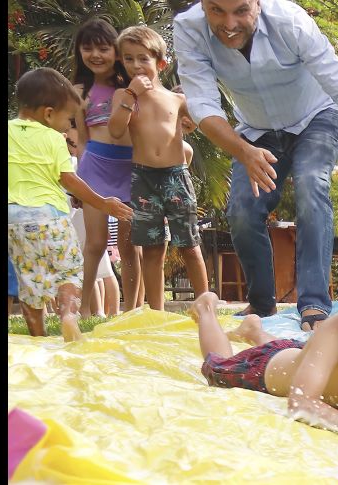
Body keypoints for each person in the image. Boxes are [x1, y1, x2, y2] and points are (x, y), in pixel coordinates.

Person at [174, 0, 338, 331]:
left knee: (312, 184)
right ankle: (262, 303)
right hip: (255, 132)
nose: (228, 23)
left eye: (240, 11)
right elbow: (202, 105)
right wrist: (243, 151)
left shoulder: (290, 21)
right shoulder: (189, 29)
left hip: (316, 118)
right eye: (216, 11)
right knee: (241, 209)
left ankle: (313, 304)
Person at [190, 225, 338, 440]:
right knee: (218, 367)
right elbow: (301, 402)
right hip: (264, 368)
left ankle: (255, 331)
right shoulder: (337, 332)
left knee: (297, 351)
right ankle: (206, 310)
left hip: (302, 354)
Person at [8, 68, 133, 341]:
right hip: (50, 216)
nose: (69, 126)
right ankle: (67, 314)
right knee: (69, 269)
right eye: (68, 119)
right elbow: (69, 180)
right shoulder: (53, 138)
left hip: (14, 220)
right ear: (48, 113)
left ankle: (38, 336)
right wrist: (102, 202)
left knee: (30, 280)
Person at [108, 25, 209, 312]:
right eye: (128, 59)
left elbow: (201, 123)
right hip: (144, 179)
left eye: (143, 58)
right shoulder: (123, 97)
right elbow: (115, 131)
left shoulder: (176, 100)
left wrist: (192, 124)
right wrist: (130, 95)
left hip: (176, 175)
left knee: (189, 244)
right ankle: (157, 312)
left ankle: (205, 306)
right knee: (153, 249)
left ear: (160, 64)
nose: (136, 65)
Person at [71, 18, 143, 316]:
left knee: (130, 246)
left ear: (116, 51)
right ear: (79, 53)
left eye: (103, 48)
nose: (95, 55)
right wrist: (79, 179)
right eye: (88, 49)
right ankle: (85, 308)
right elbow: (82, 141)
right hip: (94, 171)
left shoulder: (131, 86)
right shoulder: (77, 91)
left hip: (132, 169)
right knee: (95, 243)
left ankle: (133, 309)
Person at [67, 124, 120, 317]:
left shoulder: (83, 158)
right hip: (85, 209)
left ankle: (102, 311)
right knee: (95, 264)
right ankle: (96, 311)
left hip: (88, 210)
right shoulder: (82, 158)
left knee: (98, 266)